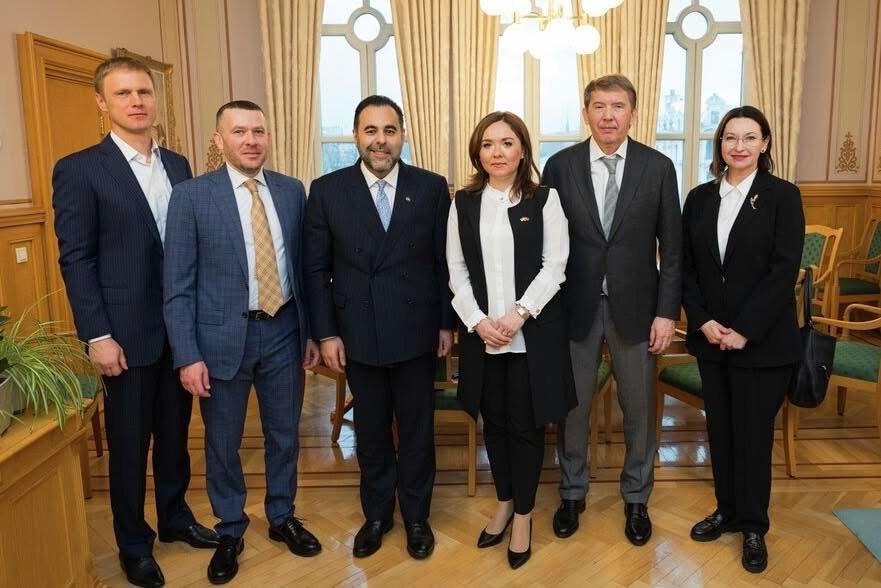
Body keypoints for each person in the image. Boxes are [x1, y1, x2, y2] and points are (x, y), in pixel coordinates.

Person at [52, 56, 218, 588]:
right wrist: (97, 335)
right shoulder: (80, 169)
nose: (137, 102)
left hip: (180, 331)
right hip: (123, 335)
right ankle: (132, 543)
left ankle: (175, 518)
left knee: (175, 436)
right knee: (129, 447)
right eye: (123, 93)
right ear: (102, 102)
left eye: (144, 92)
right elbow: (76, 259)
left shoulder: (179, 164)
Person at [163, 100, 322, 584]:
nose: (251, 140)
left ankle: (281, 516)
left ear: (268, 137)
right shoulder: (191, 197)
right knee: (223, 442)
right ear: (219, 140)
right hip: (219, 340)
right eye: (239, 132)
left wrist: (311, 333)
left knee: (284, 434)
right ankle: (230, 528)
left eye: (258, 131)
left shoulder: (292, 191)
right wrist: (187, 355)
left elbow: (305, 271)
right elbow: (177, 285)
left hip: (284, 331)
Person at [304, 95, 454, 560]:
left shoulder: (431, 188)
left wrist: (446, 324)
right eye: (370, 131)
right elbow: (315, 269)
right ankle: (376, 515)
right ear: (356, 136)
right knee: (370, 432)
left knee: (417, 431)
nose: (380, 140)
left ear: (402, 135)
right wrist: (327, 333)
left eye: (389, 130)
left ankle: (417, 517)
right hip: (357, 333)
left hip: (417, 330)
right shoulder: (327, 190)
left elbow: (444, 262)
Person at [542, 74, 682, 546]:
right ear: (586, 113)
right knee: (573, 408)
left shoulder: (658, 168)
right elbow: (545, 244)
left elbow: (673, 250)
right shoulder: (560, 166)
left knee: (638, 407)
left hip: (638, 310)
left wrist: (667, 313)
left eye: (617, 106)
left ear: (633, 114)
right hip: (573, 308)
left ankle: (637, 497)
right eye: (599, 106)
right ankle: (572, 492)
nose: (608, 116)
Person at [447, 112, 575, 569]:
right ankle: (503, 502)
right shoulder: (463, 203)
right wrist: (478, 321)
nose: (496, 152)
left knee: (525, 426)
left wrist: (518, 314)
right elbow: (456, 269)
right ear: (477, 153)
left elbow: (555, 265)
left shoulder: (545, 199)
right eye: (487, 144)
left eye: (506, 143)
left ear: (522, 150)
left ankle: (523, 515)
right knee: (495, 425)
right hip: (482, 337)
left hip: (531, 336)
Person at [682, 106, 803, 573]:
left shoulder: (782, 196)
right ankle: (727, 511)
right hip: (712, 339)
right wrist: (704, 321)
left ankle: (753, 525)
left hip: (763, 342)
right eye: (730, 137)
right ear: (720, 144)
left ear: (765, 143)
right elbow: (687, 269)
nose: (739, 146)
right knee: (721, 430)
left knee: (752, 434)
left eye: (749, 137)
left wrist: (745, 330)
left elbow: (783, 271)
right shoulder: (699, 198)